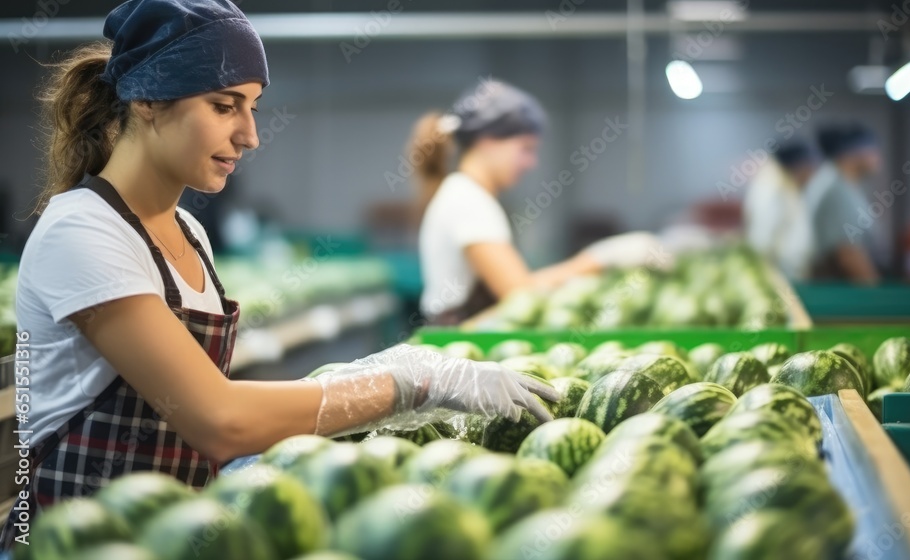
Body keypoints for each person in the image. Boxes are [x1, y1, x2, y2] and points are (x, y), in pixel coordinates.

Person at [1, 0, 557, 549]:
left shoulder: (189, 231)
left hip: (169, 534)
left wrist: (371, 370)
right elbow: (218, 420)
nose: (250, 135)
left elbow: (209, 402)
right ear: (147, 100)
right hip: (74, 541)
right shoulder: (84, 231)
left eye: (253, 108)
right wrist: (408, 385)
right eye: (224, 106)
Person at [411, 80, 665, 325]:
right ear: (487, 141)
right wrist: (602, 258)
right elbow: (519, 293)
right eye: (526, 148)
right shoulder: (468, 200)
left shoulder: (465, 193)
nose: (531, 163)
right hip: (455, 345)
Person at [803, 123, 883, 284]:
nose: (878, 157)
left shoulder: (845, 186)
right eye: (872, 150)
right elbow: (848, 253)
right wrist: (876, 296)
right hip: (845, 293)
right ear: (853, 154)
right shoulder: (838, 193)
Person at [743, 139, 820, 281]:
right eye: (811, 168)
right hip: (780, 277)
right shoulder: (771, 190)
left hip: (791, 274)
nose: (812, 175)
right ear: (800, 166)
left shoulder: (788, 185)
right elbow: (762, 242)